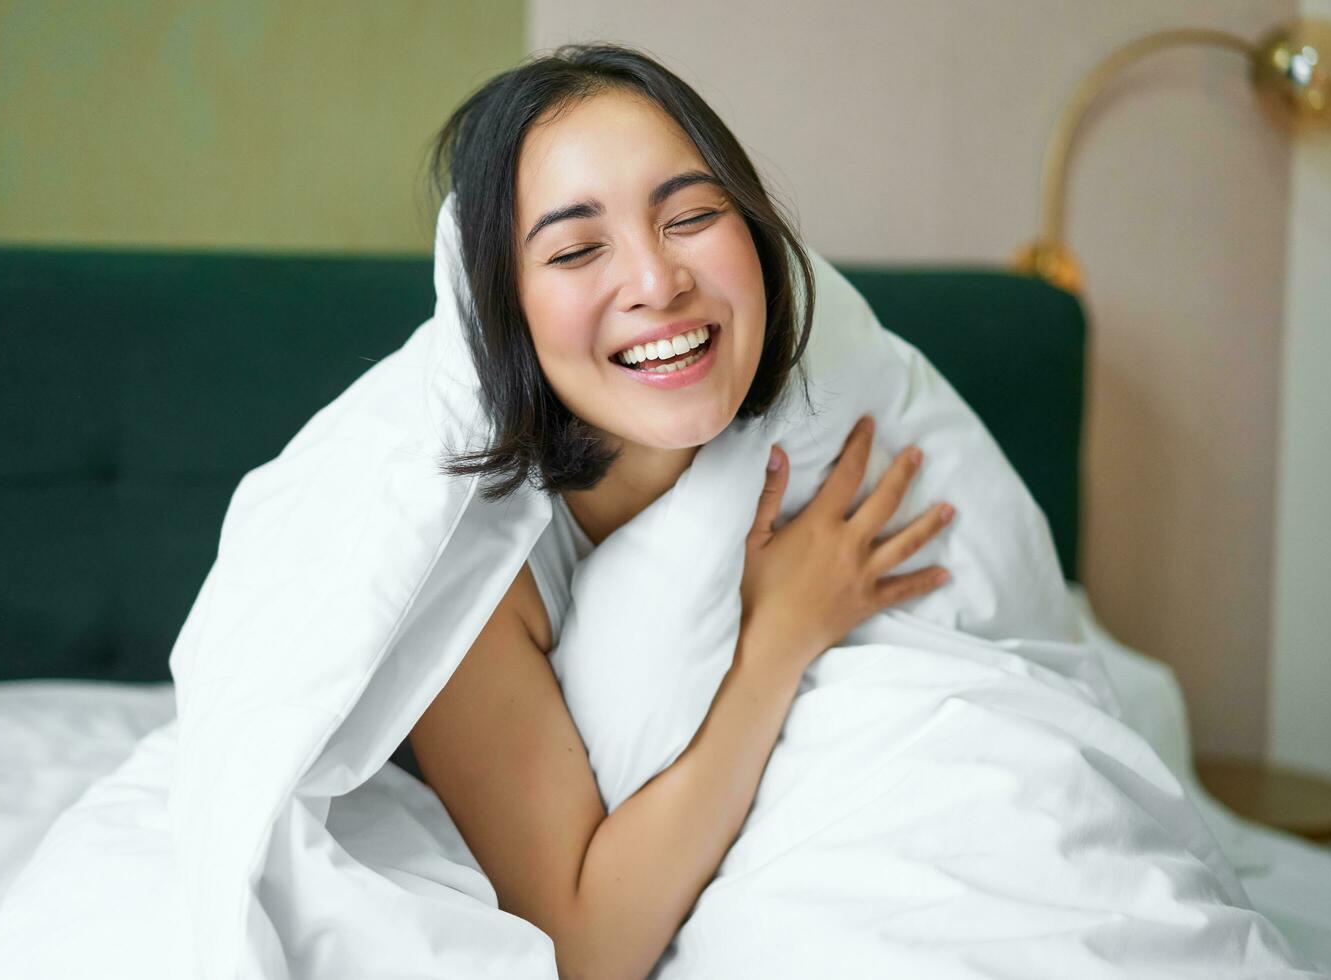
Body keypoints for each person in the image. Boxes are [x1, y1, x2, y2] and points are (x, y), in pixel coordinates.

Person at [409, 43, 956, 980]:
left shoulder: (817, 431)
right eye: (578, 249)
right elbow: (583, 948)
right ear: (507, 314)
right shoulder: (463, 572)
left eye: (693, 217)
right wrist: (780, 637)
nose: (659, 284)